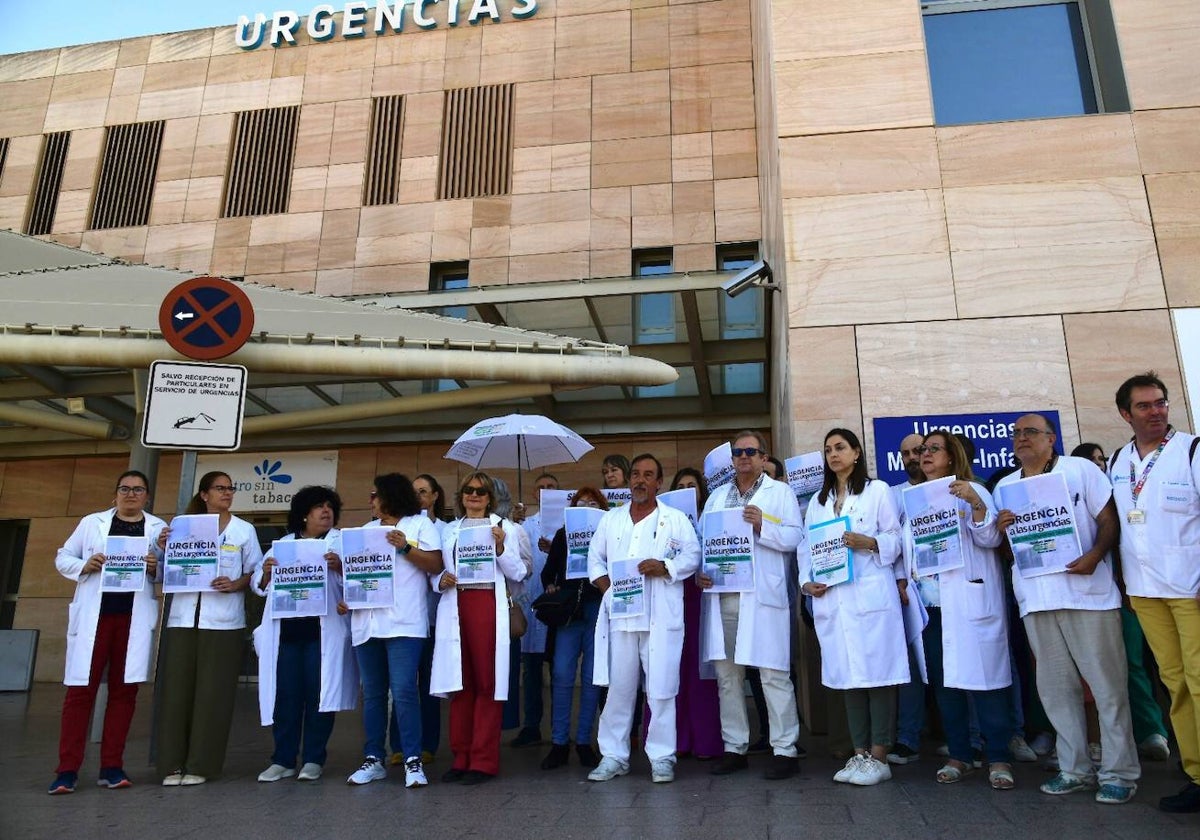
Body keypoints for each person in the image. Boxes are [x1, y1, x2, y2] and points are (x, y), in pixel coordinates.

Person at [996, 413, 1139, 804]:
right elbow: (1008, 552)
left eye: (1031, 432)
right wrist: (1004, 531)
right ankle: (1074, 769)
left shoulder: (1079, 470)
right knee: (1057, 694)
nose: (1022, 438)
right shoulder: (1007, 486)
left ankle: (1120, 773)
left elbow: (1109, 521)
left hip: (1087, 596)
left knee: (1108, 690)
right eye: (1017, 434)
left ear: (1051, 438)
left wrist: (1095, 556)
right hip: (1037, 602)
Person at [1109, 373, 1200, 813]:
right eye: (1144, 406)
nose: (1156, 412)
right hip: (1145, 591)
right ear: (1126, 414)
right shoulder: (1118, 461)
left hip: (1191, 588)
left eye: (1160, 403)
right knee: (1175, 682)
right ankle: (1196, 774)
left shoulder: (1192, 450)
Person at [904, 432, 1014, 790]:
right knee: (944, 684)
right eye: (923, 450)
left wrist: (975, 504)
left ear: (952, 457)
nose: (925, 455)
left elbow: (990, 539)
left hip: (970, 602)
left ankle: (997, 756)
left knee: (986, 682)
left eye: (933, 449)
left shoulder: (973, 490)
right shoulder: (915, 499)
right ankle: (960, 755)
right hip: (932, 605)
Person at [48, 470, 167, 795]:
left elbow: (170, 573)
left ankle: (111, 766)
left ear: (147, 496)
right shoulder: (92, 523)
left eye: (138, 489)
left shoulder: (157, 529)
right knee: (80, 694)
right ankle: (67, 770)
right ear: (115, 494)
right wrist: (86, 564)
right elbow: (63, 556)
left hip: (132, 618)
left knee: (124, 692)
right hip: (95, 618)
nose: (131, 494)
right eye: (125, 489)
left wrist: (156, 567)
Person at [800, 429, 907, 786]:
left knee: (877, 676)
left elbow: (896, 536)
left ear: (857, 453)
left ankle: (879, 755)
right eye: (828, 449)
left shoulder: (877, 492)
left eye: (840, 447)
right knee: (847, 677)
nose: (833, 454)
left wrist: (871, 542)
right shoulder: (818, 501)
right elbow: (806, 546)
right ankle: (858, 754)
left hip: (870, 594)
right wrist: (805, 581)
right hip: (834, 598)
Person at [587, 454, 701, 784]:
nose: (640, 480)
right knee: (619, 690)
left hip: (661, 618)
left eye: (648, 475)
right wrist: (609, 588)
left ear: (658, 482)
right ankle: (613, 756)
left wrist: (665, 566)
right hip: (622, 619)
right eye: (635, 474)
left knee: (661, 689)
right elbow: (595, 560)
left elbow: (692, 554)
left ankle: (662, 757)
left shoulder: (676, 519)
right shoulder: (611, 520)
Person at [698, 432, 804, 780]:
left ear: (763, 457)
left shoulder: (780, 493)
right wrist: (702, 572)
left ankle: (785, 749)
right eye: (738, 452)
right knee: (729, 677)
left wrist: (764, 525)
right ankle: (735, 748)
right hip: (725, 596)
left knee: (774, 674)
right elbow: (704, 544)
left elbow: (794, 538)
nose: (743, 457)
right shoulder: (715, 497)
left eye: (750, 451)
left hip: (762, 596)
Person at [156, 471, 262, 786]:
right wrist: (164, 546)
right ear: (204, 494)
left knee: (213, 695)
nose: (227, 493)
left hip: (223, 622)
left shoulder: (244, 530)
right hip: (183, 619)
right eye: (220, 488)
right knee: (176, 693)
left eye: (230, 488)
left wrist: (235, 584)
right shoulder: (180, 526)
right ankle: (172, 764)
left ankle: (201, 765)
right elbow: (162, 570)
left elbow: (254, 573)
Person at [342, 473, 443, 787]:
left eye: (376, 494)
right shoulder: (364, 531)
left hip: (404, 623)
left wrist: (404, 547)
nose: (371, 500)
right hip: (367, 623)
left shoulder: (419, 525)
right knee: (372, 695)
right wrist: (348, 597)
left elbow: (436, 565)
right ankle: (374, 758)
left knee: (403, 691)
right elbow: (355, 573)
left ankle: (412, 759)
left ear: (390, 497)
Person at [252, 486, 357, 783]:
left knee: (318, 696)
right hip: (286, 632)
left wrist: (341, 567)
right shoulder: (282, 545)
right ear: (303, 514)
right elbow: (259, 587)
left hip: (322, 633)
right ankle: (282, 759)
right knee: (285, 696)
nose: (326, 511)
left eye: (329, 506)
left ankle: (313, 759)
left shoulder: (340, 542)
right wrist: (267, 573)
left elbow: (360, 581)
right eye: (318, 507)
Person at [430, 472, 528, 785]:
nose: (474, 495)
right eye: (469, 490)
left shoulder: (504, 528)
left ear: (490, 498)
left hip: (488, 606)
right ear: (461, 496)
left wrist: (500, 548)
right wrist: (439, 580)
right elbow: (437, 570)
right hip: (456, 606)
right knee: (460, 683)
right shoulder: (448, 530)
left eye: (481, 492)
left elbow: (520, 572)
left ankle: (483, 760)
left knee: (487, 683)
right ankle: (461, 756)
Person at [538, 486, 608, 770]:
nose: (587, 507)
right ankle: (558, 742)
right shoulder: (563, 535)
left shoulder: (608, 534)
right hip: (569, 610)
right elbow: (547, 572)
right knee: (563, 673)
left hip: (594, 606)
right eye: (582, 504)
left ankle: (583, 741)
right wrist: (551, 585)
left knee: (592, 676)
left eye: (593, 504)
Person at [666, 468, 723, 763]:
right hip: (674, 593)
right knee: (675, 667)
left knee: (702, 669)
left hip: (703, 595)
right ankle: (677, 740)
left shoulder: (712, 517)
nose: (688, 489)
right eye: (681, 486)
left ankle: (707, 740)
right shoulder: (666, 521)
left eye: (692, 485)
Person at [509, 473, 559, 749]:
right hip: (530, 602)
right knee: (530, 670)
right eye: (541, 487)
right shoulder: (524, 524)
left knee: (558, 671)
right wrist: (514, 522)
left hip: (558, 605)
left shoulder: (567, 523)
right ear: (533, 491)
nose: (546, 491)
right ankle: (531, 725)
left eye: (551, 487)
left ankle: (558, 728)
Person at [403, 473, 448, 766]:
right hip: (406, 617)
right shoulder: (402, 526)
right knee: (403, 685)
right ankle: (399, 744)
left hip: (435, 615)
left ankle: (429, 744)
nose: (418, 496)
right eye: (414, 491)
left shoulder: (446, 529)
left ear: (434, 496)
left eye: (423, 491)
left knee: (429, 686)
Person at [889, 432, 926, 766]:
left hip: (952, 589)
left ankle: (971, 739)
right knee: (911, 669)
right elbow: (892, 542)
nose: (913, 457)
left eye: (919, 450)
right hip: (908, 592)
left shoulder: (953, 489)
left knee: (957, 664)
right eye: (907, 453)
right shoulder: (892, 495)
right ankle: (908, 738)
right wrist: (900, 580)